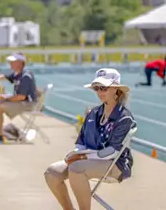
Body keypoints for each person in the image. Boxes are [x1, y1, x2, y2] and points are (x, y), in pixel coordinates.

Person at [44, 68, 136, 210]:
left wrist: (81, 157)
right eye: (96, 88)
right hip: (89, 160)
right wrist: (75, 154)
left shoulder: (124, 117)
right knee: (51, 173)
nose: (99, 92)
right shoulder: (93, 113)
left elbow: (112, 151)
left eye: (103, 88)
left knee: (76, 168)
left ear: (116, 90)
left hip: (115, 164)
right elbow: (81, 144)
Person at [0, 52, 38, 143]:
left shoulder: (25, 76)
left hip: (27, 104)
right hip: (21, 102)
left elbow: (21, 97)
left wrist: (5, 98)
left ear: (20, 62)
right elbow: (2, 77)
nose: (10, 64)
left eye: (12, 62)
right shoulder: (17, 74)